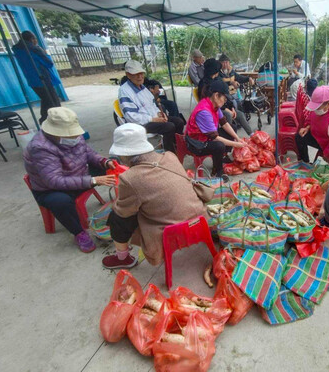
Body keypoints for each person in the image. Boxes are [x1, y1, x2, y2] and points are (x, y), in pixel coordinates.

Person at [102, 124, 207, 269]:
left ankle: (123, 257)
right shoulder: (170, 156)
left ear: (124, 155)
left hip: (172, 231)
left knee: (117, 218)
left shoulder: (129, 178)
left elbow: (124, 211)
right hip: (199, 218)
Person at [23, 107, 116, 252]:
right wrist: (92, 180)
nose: (75, 137)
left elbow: (89, 153)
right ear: (54, 132)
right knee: (61, 202)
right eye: (70, 135)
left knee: (114, 165)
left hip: (78, 175)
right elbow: (53, 180)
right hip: (51, 189)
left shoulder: (73, 137)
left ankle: (124, 204)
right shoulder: (40, 147)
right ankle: (79, 233)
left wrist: (104, 161)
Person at [186, 80, 247, 177]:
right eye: (224, 98)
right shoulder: (204, 111)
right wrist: (236, 144)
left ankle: (222, 156)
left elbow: (224, 123)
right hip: (196, 143)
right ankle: (218, 171)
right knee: (219, 145)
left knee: (233, 127)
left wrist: (237, 138)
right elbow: (215, 138)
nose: (225, 101)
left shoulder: (215, 106)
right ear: (216, 95)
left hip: (206, 136)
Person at [118, 59, 178, 153]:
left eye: (141, 73)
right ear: (128, 75)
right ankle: (169, 153)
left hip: (152, 118)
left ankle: (173, 145)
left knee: (178, 121)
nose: (140, 76)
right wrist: (153, 119)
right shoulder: (124, 91)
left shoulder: (142, 87)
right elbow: (131, 117)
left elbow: (152, 104)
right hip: (140, 124)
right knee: (169, 127)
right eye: (136, 74)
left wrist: (159, 114)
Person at [12, 31, 61, 124]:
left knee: (46, 100)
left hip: (32, 80)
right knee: (53, 102)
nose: (36, 41)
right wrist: (44, 53)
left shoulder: (17, 50)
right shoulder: (34, 49)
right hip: (42, 78)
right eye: (35, 39)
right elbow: (49, 63)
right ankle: (52, 122)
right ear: (31, 39)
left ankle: (44, 120)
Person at [296, 86, 329, 163]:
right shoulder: (317, 110)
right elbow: (310, 119)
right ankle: (305, 163)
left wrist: (327, 153)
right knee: (299, 137)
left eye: (317, 107)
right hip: (318, 138)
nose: (315, 110)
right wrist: (307, 128)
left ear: (328, 104)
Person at [218, 53, 253, 136]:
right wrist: (231, 82)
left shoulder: (231, 71)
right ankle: (232, 130)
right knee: (234, 105)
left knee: (241, 104)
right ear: (219, 63)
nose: (226, 64)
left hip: (233, 95)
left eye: (227, 62)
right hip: (225, 97)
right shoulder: (218, 74)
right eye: (223, 62)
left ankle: (250, 133)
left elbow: (239, 78)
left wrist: (249, 78)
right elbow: (219, 84)